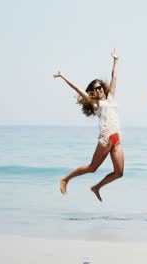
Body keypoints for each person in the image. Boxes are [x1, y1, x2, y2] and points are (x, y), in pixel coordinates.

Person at [53, 48, 124, 202]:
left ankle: (97, 187)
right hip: (106, 138)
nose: (97, 90)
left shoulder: (111, 97)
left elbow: (114, 76)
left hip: (117, 139)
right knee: (92, 168)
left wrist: (115, 60)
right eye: (94, 89)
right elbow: (77, 89)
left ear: (103, 88)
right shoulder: (95, 103)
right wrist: (63, 76)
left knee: (119, 172)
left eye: (99, 87)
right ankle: (66, 179)